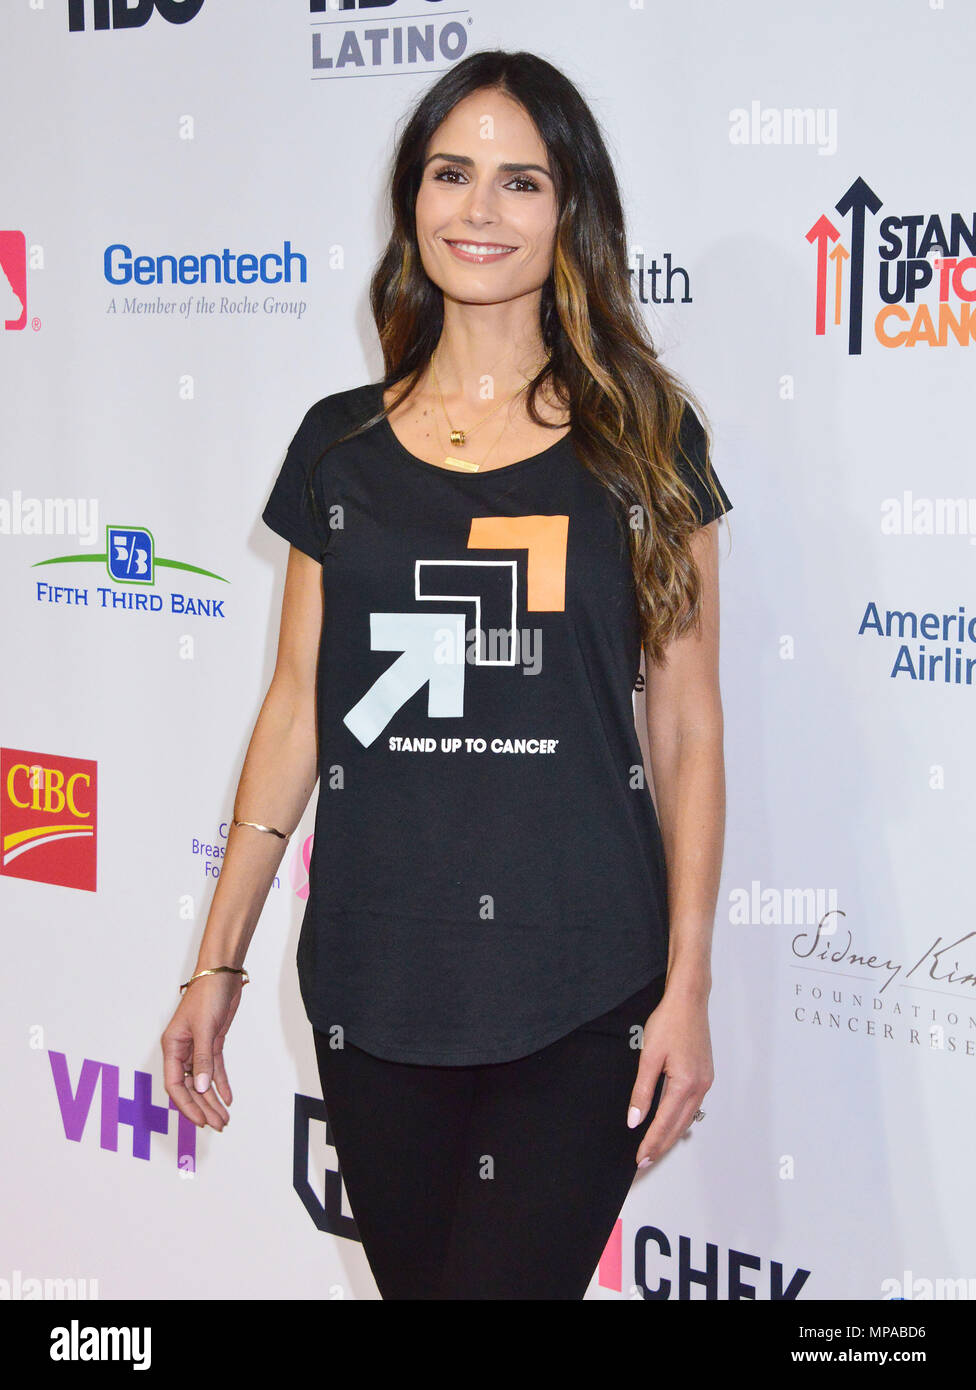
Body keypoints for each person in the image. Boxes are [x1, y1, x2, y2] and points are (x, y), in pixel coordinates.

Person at [162, 48, 733, 1301]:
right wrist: (218, 960)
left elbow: (686, 724)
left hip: (585, 980)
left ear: (570, 208)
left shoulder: (643, 437)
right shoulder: (341, 446)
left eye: (519, 181)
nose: (478, 210)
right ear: (411, 201)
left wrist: (688, 982)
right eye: (449, 173)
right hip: (376, 976)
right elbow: (300, 708)